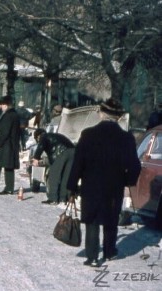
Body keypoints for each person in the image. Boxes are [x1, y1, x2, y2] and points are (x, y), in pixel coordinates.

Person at [66, 98, 141, 267]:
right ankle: (109, 251)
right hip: (114, 186)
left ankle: (92, 256)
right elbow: (135, 165)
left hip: (91, 185)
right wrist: (128, 181)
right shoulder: (126, 138)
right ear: (117, 117)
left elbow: (78, 163)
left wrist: (71, 186)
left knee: (92, 219)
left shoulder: (88, 134)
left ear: (101, 114)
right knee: (111, 218)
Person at [31, 128, 75, 204]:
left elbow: (40, 147)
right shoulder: (55, 135)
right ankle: (63, 198)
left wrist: (36, 158)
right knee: (66, 176)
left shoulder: (44, 137)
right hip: (73, 152)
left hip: (60, 153)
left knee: (54, 176)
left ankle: (53, 198)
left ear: (38, 136)